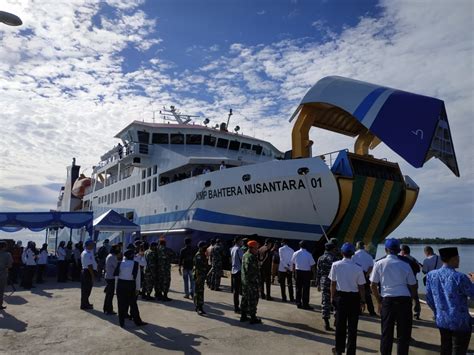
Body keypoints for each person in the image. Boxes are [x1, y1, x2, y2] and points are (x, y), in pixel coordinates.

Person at [370, 238, 417, 355]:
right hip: (404, 300)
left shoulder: (379, 264)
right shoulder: (405, 264)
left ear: (386, 250)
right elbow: (413, 285)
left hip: (387, 300)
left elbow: (373, 285)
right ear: (398, 250)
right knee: (403, 334)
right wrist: (411, 298)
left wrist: (379, 301)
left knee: (386, 333)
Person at [426, 247, 474, 355]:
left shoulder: (431, 275)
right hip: (460, 322)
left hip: (442, 320)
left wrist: (437, 312)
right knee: (458, 350)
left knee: (445, 349)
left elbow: (429, 298)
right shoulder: (460, 277)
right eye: (458, 258)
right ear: (453, 259)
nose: (459, 260)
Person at [329, 243, 366, 355]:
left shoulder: (335, 265)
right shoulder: (358, 268)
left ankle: (339, 350)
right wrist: (363, 301)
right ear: (353, 254)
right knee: (352, 327)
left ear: (342, 253)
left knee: (340, 325)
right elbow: (361, 287)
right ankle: (351, 352)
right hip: (354, 299)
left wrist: (332, 296)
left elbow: (333, 283)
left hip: (340, 297)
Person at [115, 249, 147, 328]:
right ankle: (137, 321)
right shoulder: (135, 264)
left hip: (120, 284)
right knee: (133, 304)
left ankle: (121, 322)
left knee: (120, 304)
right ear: (133, 256)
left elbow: (116, 277)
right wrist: (138, 288)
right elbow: (137, 278)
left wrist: (116, 288)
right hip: (130, 285)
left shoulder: (119, 263)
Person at [316, 242, 339, 330]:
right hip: (334, 282)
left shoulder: (320, 258)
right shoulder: (335, 258)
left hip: (324, 281)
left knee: (325, 301)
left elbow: (318, 272)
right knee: (335, 301)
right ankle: (336, 320)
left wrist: (318, 283)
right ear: (333, 249)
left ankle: (326, 323)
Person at [351, 241, 376, 316]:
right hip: (365, 274)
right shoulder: (369, 256)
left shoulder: (353, 255)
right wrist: (367, 275)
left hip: (356, 274)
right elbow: (371, 267)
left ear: (357, 246)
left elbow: (351, 266)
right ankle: (371, 311)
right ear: (363, 246)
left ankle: (358, 310)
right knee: (367, 294)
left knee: (356, 293)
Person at [240, 240, 262, 324]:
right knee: (253, 299)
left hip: (245, 282)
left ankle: (243, 316)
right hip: (251, 282)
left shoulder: (245, 255)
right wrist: (258, 283)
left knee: (245, 299)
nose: (257, 250)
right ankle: (253, 317)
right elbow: (253, 271)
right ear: (251, 248)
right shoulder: (251, 257)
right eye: (256, 248)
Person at [292, 241, 315, 310]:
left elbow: (293, 263)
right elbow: (312, 265)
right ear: (306, 246)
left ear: (299, 246)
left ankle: (298, 303)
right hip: (306, 273)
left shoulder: (295, 253)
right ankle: (305, 304)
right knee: (306, 289)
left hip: (298, 271)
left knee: (298, 288)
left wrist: (293, 272)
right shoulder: (309, 254)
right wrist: (313, 274)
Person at [80, 239, 97, 310]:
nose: (93, 245)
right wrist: (93, 276)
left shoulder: (88, 252)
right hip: (88, 272)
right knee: (86, 290)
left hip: (87, 272)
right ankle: (84, 305)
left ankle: (86, 303)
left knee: (86, 289)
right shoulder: (87, 253)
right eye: (92, 244)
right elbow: (90, 266)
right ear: (88, 245)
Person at [193, 241, 209, 315]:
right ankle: (198, 307)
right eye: (204, 247)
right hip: (199, 276)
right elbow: (197, 268)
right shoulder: (199, 255)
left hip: (201, 276)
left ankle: (200, 306)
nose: (206, 248)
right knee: (198, 292)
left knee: (200, 291)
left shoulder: (203, 254)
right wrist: (198, 277)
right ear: (201, 247)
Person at [103, 245, 120, 315]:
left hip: (109, 276)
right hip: (111, 277)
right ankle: (108, 310)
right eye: (117, 249)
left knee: (108, 294)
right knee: (110, 294)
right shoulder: (112, 257)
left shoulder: (110, 256)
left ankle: (106, 308)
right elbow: (116, 266)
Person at [230, 237, 244, 313]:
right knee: (240, 290)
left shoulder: (232, 249)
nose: (242, 242)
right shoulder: (239, 249)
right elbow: (243, 260)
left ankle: (236, 307)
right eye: (241, 241)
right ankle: (239, 307)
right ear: (238, 241)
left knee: (236, 290)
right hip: (239, 271)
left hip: (233, 271)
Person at [0, 240, 13, 310]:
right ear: (4, 247)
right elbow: (10, 265)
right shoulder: (8, 254)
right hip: (2, 275)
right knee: (1, 290)